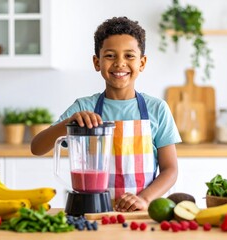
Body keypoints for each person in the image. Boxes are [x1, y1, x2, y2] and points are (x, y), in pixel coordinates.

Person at [31, 16, 181, 212]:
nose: (120, 63)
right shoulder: (83, 108)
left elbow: (170, 169)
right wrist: (68, 124)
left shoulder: (157, 109)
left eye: (129, 56)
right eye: (110, 55)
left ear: (142, 63)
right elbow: (37, 147)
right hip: (92, 213)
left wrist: (143, 199)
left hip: (139, 214)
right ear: (97, 62)